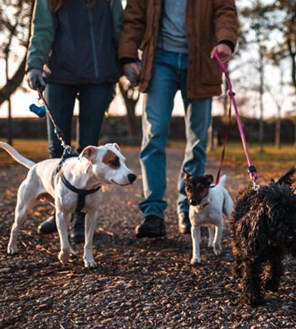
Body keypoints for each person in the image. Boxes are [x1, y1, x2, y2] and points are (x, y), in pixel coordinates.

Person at [118, 0, 238, 238]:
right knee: (154, 135)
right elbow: (134, 16)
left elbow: (225, 9)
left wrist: (225, 41)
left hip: (202, 60)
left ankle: (189, 209)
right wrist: (127, 56)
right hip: (159, 59)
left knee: (197, 139)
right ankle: (153, 213)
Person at [25, 0, 123, 243]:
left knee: (89, 146)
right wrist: (35, 64)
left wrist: (127, 61)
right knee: (57, 149)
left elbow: (120, 30)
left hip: (99, 77)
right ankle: (62, 207)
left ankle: (82, 216)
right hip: (58, 76)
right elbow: (42, 29)